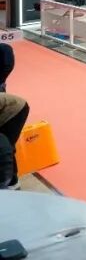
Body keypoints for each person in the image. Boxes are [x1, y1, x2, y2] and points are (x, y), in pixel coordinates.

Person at [0, 44, 28, 190]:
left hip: (16, 111)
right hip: (7, 105)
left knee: (6, 144)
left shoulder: (4, 49)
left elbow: (7, 62)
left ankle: (12, 182)